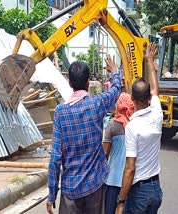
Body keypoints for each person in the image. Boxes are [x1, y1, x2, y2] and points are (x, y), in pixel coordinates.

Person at [46, 55, 121, 214]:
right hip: (94, 185)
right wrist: (114, 71)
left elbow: (55, 158)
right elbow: (115, 90)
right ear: (88, 82)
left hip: (71, 190)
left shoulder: (61, 112)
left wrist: (52, 194)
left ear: (70, 83)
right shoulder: (96, 104)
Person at [115, 43, 163, 214]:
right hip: (156, 189)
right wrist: (150, 62)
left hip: (139, 192)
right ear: (148, 98)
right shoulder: (157, 114)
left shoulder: (132, 127)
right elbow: (156, 89)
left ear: (132, 98)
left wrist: (120, 201)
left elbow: (130, 168)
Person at [103, 92, 134, 214]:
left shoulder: (112, 126)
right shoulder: (135, 126)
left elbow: (105, 153)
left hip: (112, 179)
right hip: (130, 181)